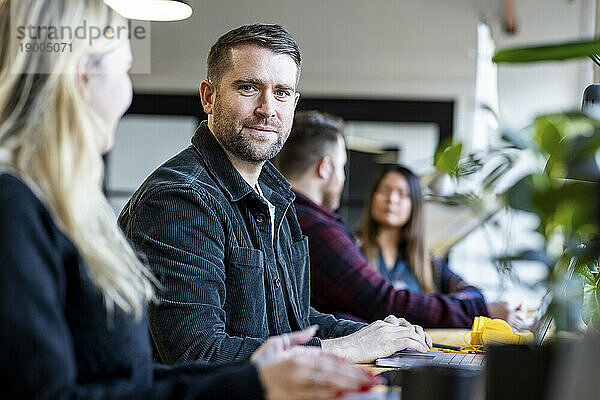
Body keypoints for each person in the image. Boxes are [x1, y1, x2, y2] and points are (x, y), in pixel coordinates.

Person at [0, 2, 381, 399]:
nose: (268, 108)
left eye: (282, 93)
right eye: (126, 71)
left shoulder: (67, 203)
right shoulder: (21, 204)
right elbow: (189, 353)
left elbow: (127, 376)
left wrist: (365, 338)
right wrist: (262, 379)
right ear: (83, 76)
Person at [119, 23, 431, 365]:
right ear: (209, 97)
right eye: (249, 88)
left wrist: (374, 335)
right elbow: (198, 353)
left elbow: (291, 321)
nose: (268, 108)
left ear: (294, 104)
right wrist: (348, 349)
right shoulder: (180, 199)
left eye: (281, 92)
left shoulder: (275, 194)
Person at [277, 110, 521, 328]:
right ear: (325, 168)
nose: (392, 200)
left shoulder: (284, 216)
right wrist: (479, 311)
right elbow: (383, 302)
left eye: (403, 195)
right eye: (342, 167)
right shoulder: (320, 230)